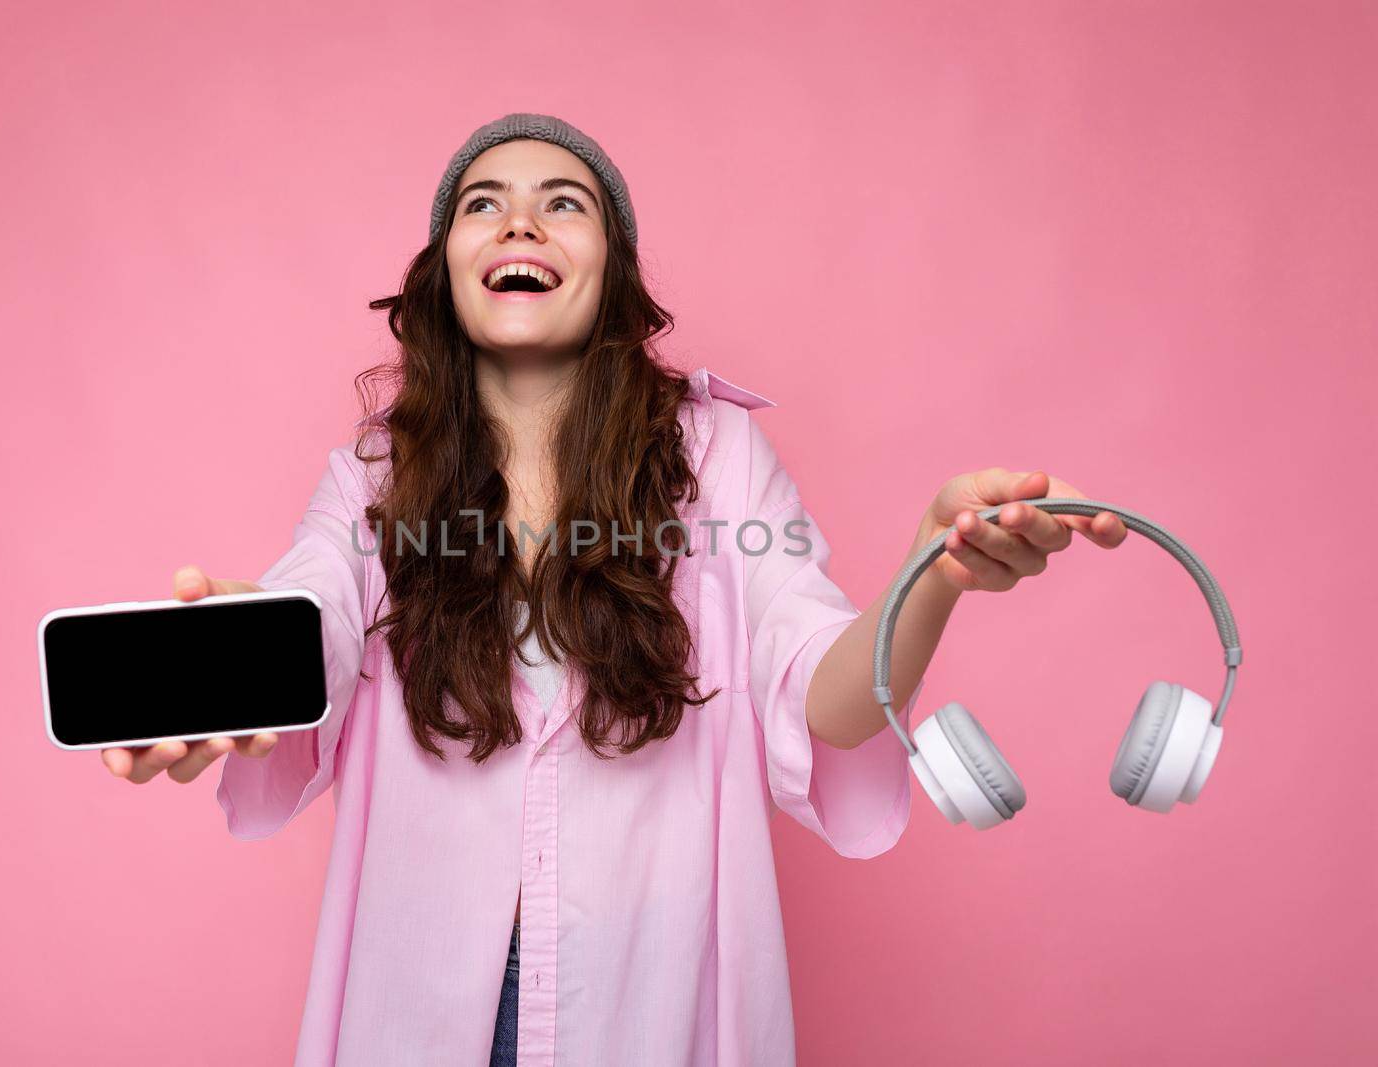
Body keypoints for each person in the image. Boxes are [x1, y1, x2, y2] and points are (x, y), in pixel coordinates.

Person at [99, 113, 1127, 1066]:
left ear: (613, 268)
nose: (520, 220)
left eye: (564, 201)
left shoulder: (717, 453)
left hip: (644, 998)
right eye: (482, 201)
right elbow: (314, 613)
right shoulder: (375, 472)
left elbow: (821, 688)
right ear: (446, 269)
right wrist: (234, 667)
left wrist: (933, 568)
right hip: (422, 1005)